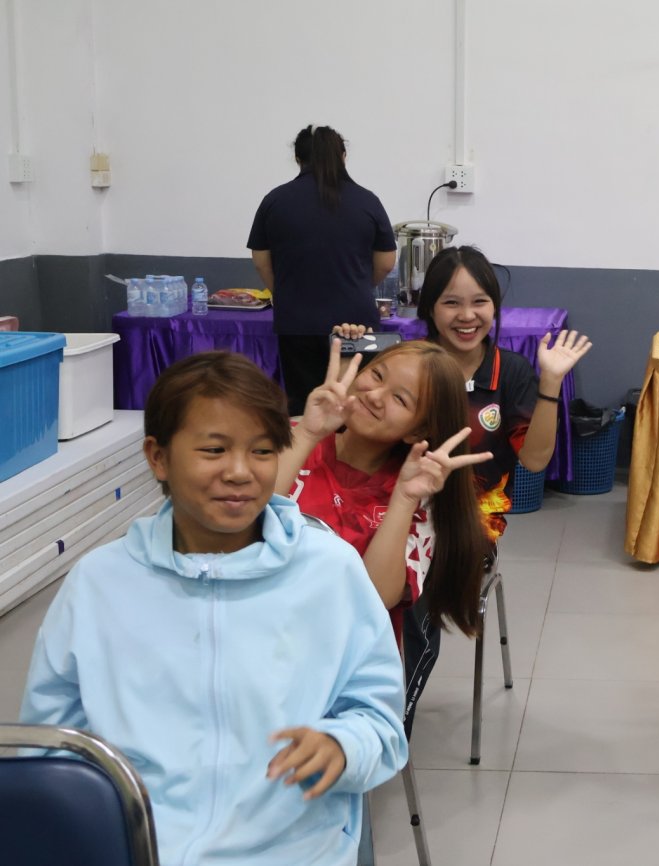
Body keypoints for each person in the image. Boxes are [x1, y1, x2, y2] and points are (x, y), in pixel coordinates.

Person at [21, 351, 408, 866]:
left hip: (291, 849)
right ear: (158, 457)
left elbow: (380, 719)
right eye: (214, 450)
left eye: (263, 450)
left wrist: (342, 746)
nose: (240, 472)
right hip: (136, 847)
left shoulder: (329, 571)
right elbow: (50, 744)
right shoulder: (100, 583)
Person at [278, 339, 491, 646]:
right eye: (377, 375)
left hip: (344, 656)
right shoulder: (294, 436)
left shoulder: (417, 493)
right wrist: (308, 434)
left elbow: (376, 596)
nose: (375, 396)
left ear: (417, 431)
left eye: (400, 399)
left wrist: (404, 499)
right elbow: (243, 524)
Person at [415, 245, 592, 540]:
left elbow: (534, 460)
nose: (467, 315)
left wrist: (551, 382)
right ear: (431, 309)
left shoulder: (512, 371)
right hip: (402, 509)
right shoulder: (408, 364)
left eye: (479, 301)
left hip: (477, 522)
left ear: (494, 307)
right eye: (451, 303)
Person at [248, 124, 397, 415]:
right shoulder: (367, 201)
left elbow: (260, 260)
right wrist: (358, 285)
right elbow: (386, 262)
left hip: (296, 321)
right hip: (356, 322)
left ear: (297, 158)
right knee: (355, 405)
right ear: (343, 156)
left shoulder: (275, 200)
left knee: (305, 408)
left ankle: (306, 447)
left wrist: (285, 292)